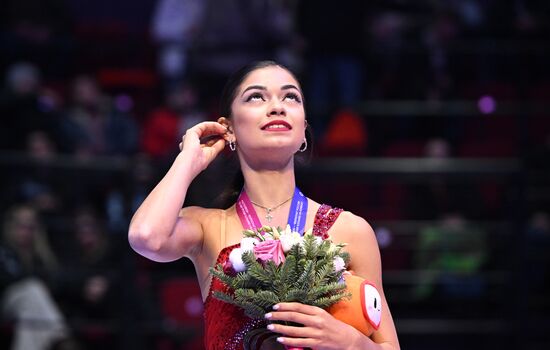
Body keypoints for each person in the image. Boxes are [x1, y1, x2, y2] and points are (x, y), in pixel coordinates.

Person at [128, 60, 400, 350]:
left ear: (304, 130)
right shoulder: (206, 226)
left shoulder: (351, 230)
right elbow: (146, 237)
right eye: (256, 96)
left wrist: (351, 343)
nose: (277, 106)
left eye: (290, 97)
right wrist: (189, 161)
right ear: (228, 129)